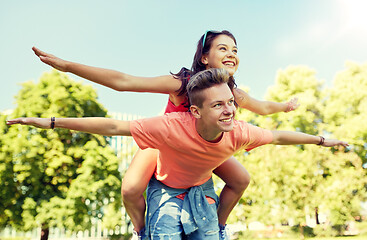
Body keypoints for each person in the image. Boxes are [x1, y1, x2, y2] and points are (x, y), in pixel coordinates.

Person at [7, 68, 348, 239]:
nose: (230, 111)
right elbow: (112, 127)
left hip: (200, 189)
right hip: (165, 190)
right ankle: (143, 233)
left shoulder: (240, 131)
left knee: (229, 197)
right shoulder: (171, 127)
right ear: (196, 112)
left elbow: (278, 136)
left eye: (231, 103)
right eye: (219, 105)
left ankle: (220, 227)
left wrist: (321, 140)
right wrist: (50, 122)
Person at [32, 30, 300, 239]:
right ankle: (141, 232)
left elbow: (264, 108)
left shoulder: (232, 92)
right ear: (204, 57)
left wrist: (285, 107)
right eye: (223, 48)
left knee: (241, 179)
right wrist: (68, 66)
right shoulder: (181, 84)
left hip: (201, 146)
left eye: (235, 50)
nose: (231, 54)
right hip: (166, 142)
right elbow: (124, 82)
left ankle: (218, 226)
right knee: (131, 188)